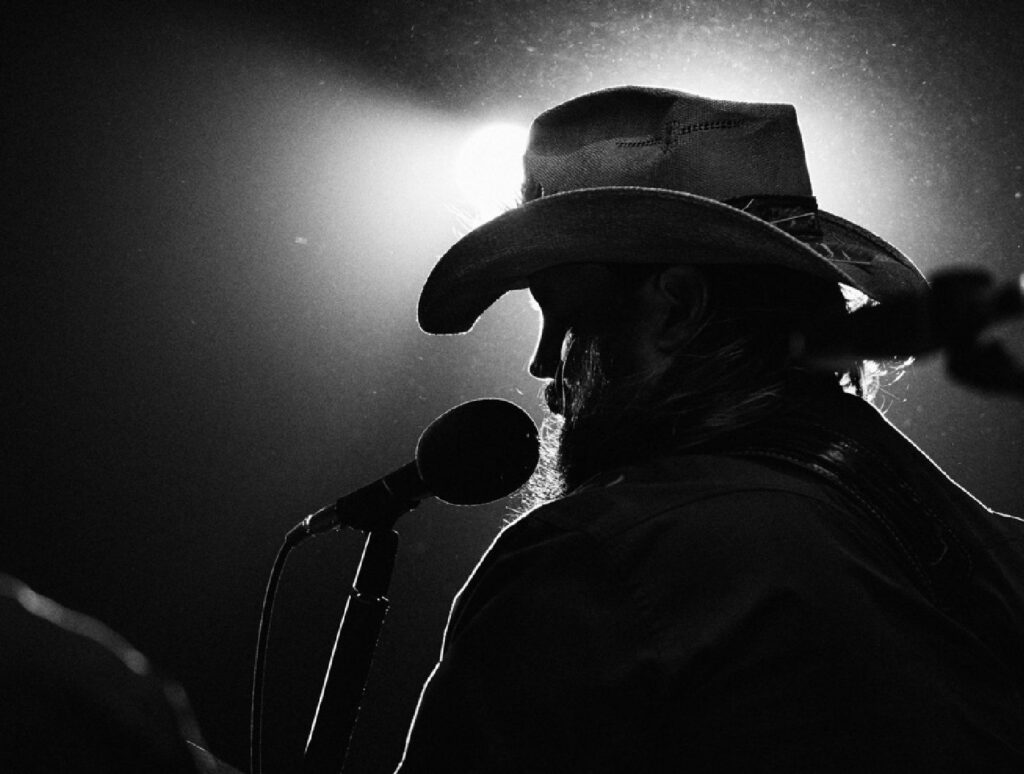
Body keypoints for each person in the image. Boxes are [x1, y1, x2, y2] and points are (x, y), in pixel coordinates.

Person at [397, 86, 1024, 771]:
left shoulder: (597, 555)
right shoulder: (994, 548)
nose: (547, 368)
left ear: (676, 308)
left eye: (566, 320)